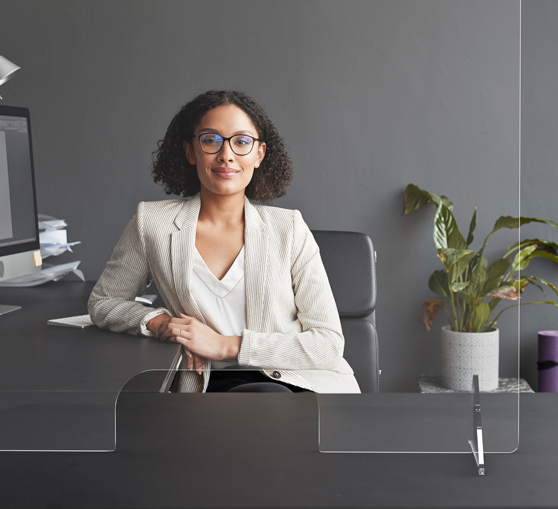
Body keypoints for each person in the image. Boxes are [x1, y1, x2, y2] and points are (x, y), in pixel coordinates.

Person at [88, 90, 360, 394]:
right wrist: (159, 321)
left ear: (259, 154)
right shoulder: (152, 223)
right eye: (210, 139)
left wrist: (225, 346)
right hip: (204, 386)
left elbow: (328, 344)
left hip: (295, 383)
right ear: (191, 151)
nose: (226, 155)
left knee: (267, 398)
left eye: (241, 142)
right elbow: (103, 303)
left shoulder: (290, 228)